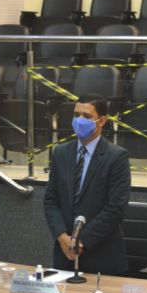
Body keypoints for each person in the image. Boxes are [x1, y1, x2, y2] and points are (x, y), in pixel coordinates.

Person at [44, 94, 131, 275]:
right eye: (76, 115)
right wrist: (62, 237)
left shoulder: (116, 157)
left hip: (101, 257)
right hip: (64, 255)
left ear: (102, 121)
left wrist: (80, 241)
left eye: (86, 116)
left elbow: (115, 208)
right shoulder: (61, 153)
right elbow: (51, 201)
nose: (79, 120)